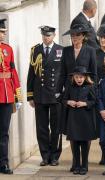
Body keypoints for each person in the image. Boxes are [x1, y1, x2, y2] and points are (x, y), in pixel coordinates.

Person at [61, 23, 97, 172]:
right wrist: (64, 92)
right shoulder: (66, 51)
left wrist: (89, 93)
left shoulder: (90, 51)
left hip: (85, 93)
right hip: (71, 92)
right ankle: (75, 163)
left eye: (77, 35)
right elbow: (63, 72)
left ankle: (84, 164)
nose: (74, 38)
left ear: (83, 36)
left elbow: (94, 73)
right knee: (73, 135)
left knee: (84, 135)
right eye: (72, 36)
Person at [27, 26, 63, 166]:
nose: (46, 38)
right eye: (44, 35)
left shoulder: (61, 50)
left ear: (54, 35)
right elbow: (31, 74)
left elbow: (64, 73)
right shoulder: (35, 50)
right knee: (41, 127)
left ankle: (54, 155)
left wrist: (63, 93)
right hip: (40, 94)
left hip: (55, 95)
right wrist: (30, 95)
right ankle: (45, 155)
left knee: (56, 127)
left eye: (48, 35)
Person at [63, 66, 97, 175]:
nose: (79, 79)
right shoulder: (70, 87)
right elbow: (62, 99)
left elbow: (94, 101)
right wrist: (69, 102)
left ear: (85, 77)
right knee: (75, 142)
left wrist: (85, 103)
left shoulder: (90, 87)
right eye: (77, 77)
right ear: (73, 77)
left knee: (84, 143)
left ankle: (84, 166)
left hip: (85, 119)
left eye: (81, 77)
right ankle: (76, 165)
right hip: (73, 118)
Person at [0, 19, 22, 174]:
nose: (3, 35)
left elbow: (13, 72)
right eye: (1, 32)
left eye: (3, 32)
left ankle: (3, 163)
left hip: (7, 95)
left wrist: (18, 95)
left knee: (4, 132)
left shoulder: (8, 49)